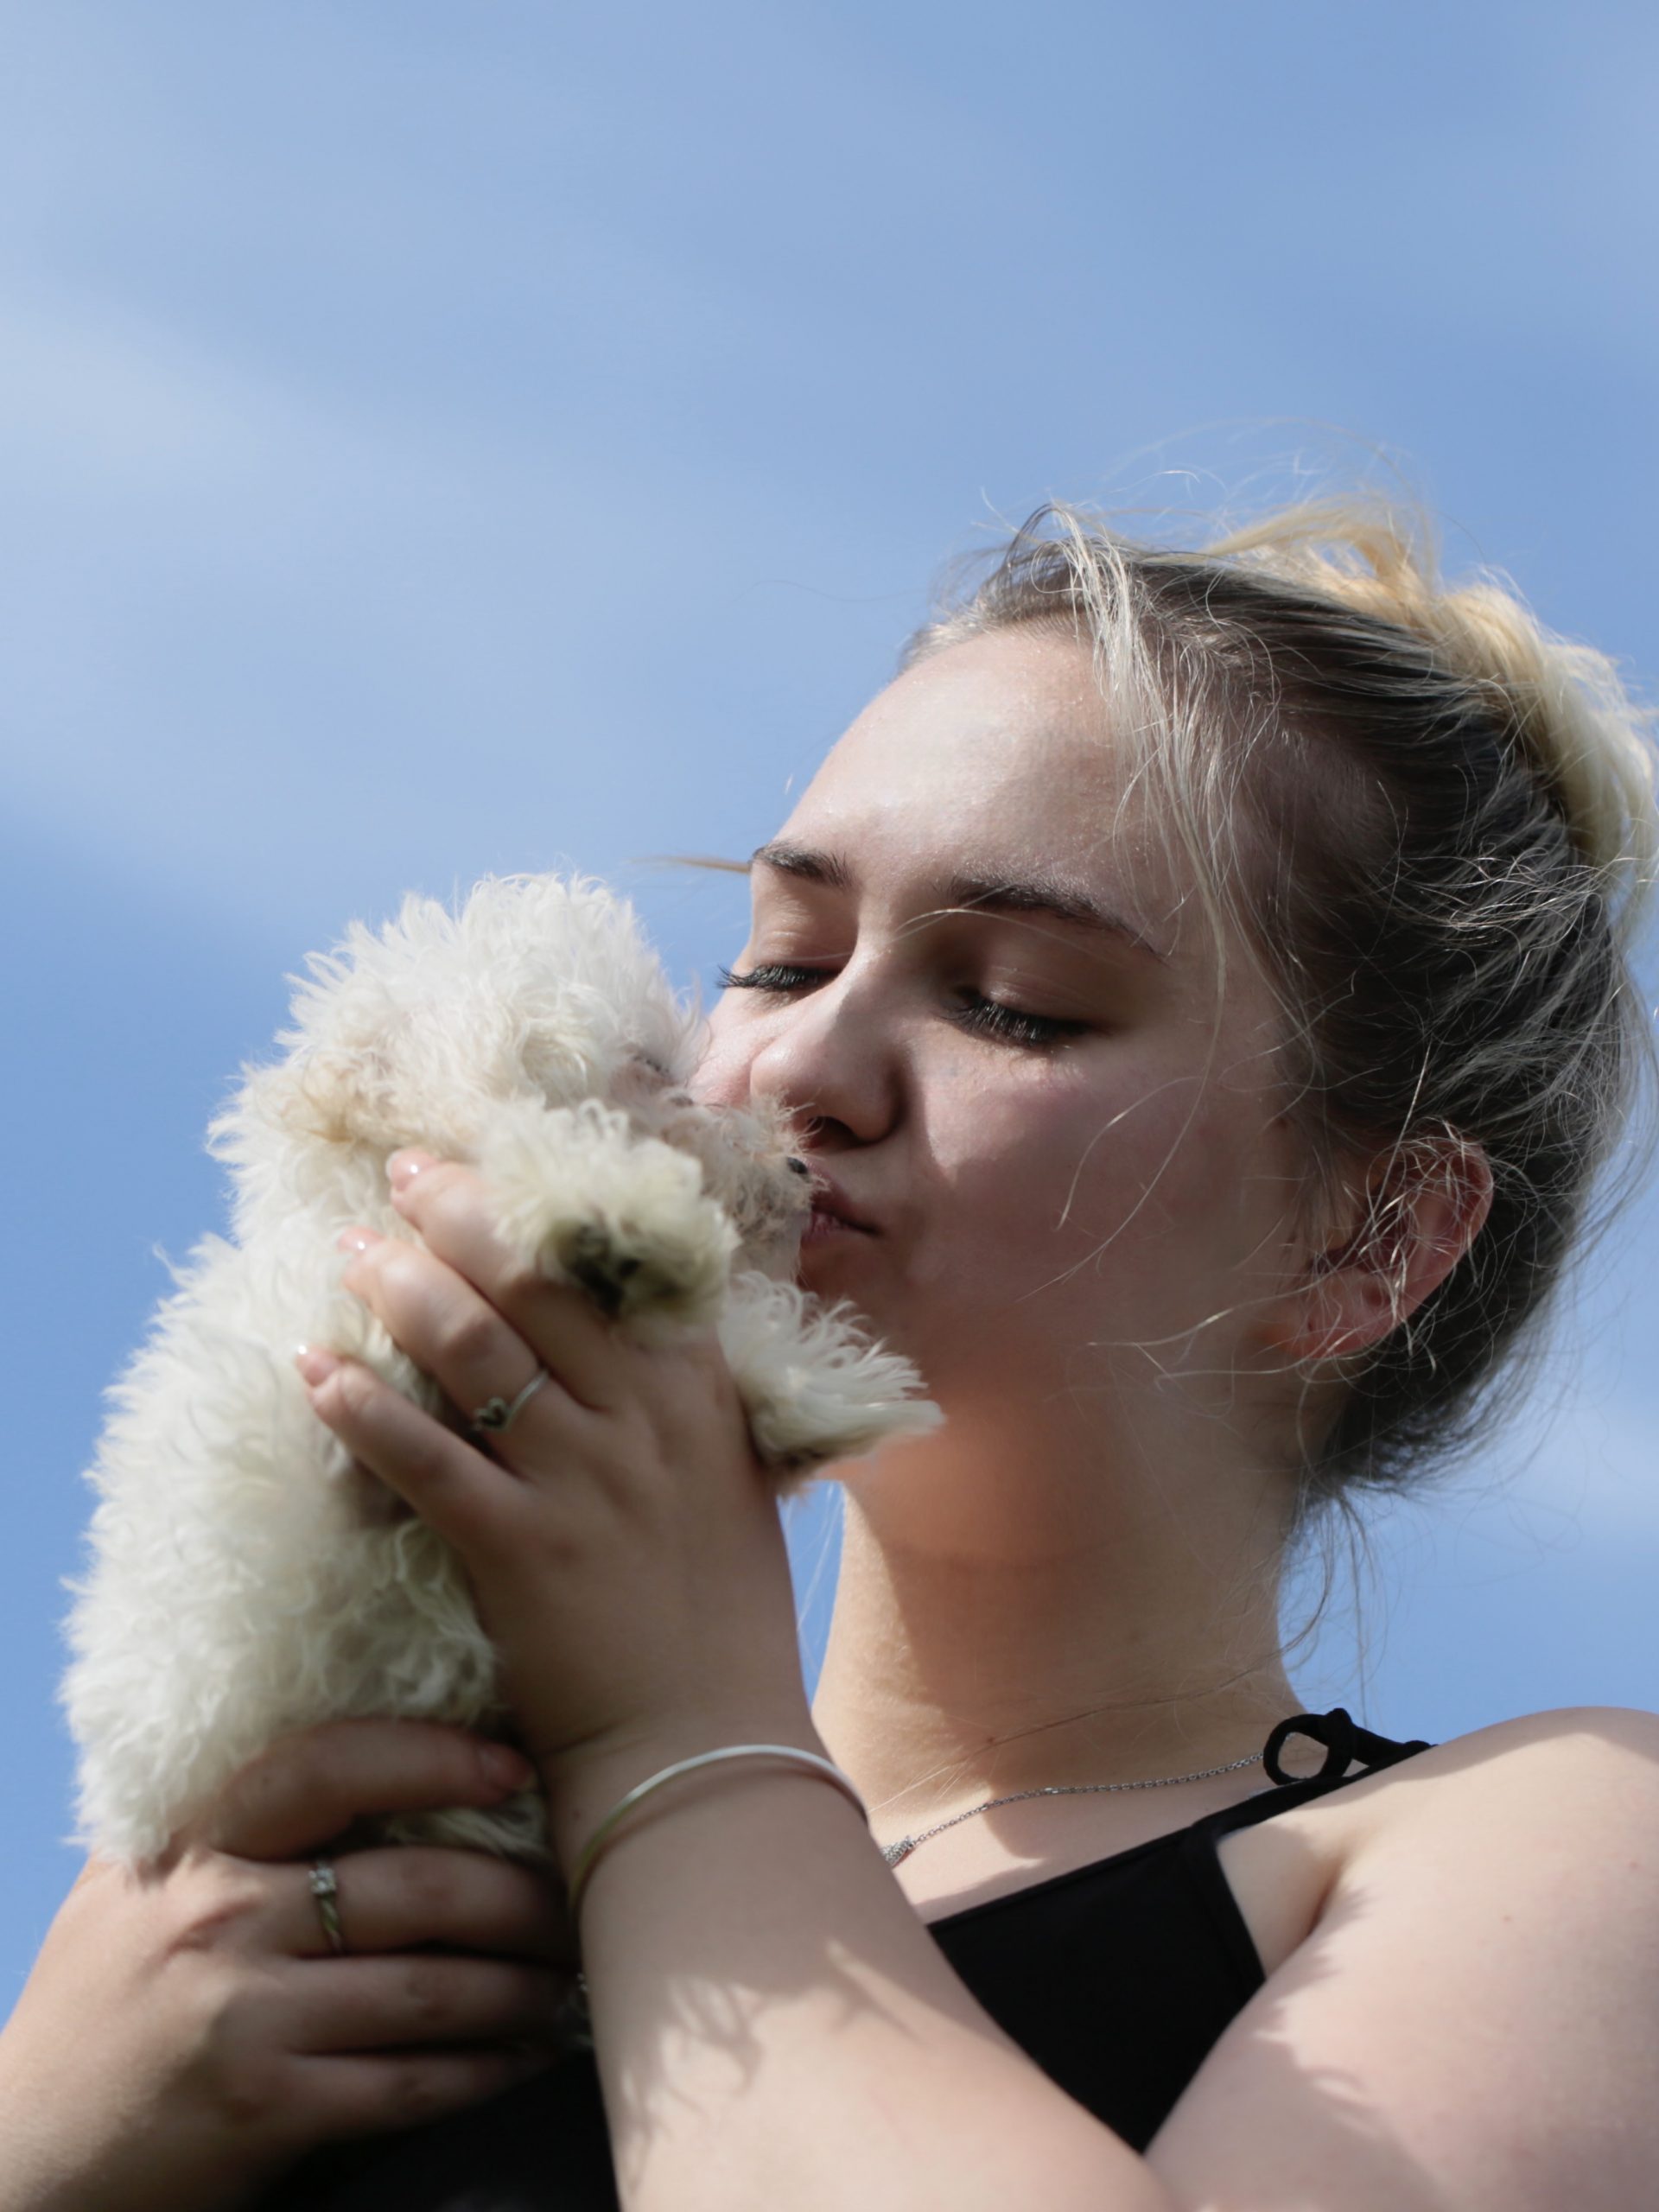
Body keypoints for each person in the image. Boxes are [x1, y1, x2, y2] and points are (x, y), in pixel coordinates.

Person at [5, 490, 1659, 2212]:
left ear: (1373, 1230)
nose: (803, 1064)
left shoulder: (1567, 1850)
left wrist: (679, 1743)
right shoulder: (387, 1889)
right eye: (782, 955)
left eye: (1014, 999)